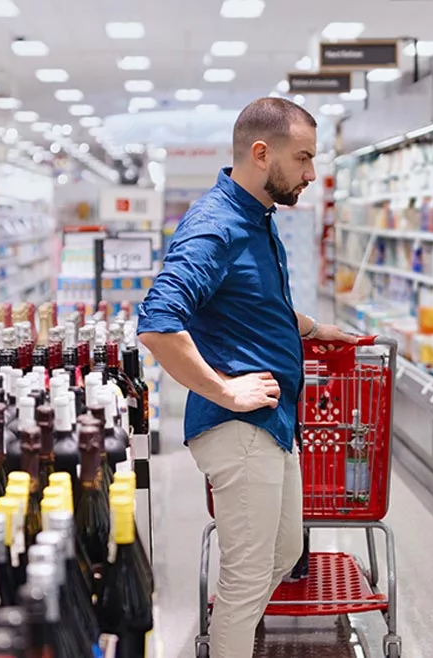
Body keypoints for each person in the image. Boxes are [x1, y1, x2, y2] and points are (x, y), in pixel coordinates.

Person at [137, 98, 353, 658]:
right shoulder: (215, 225)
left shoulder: (256, 216)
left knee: (282, 555)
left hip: (274, 422)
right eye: (303, 159)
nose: (311, 174)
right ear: (262, 153)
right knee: (246, 578)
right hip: (241, 429)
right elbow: (158, 323)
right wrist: (226, 389)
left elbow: (251, 301)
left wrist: (307, 327)